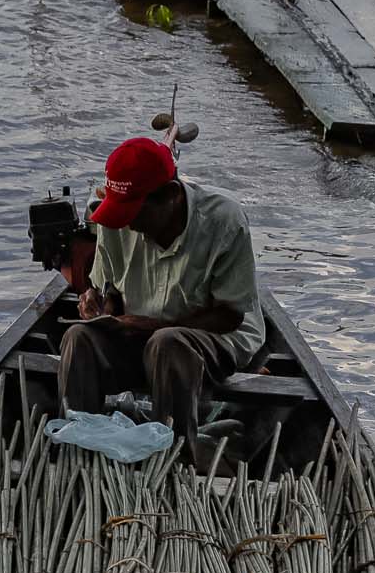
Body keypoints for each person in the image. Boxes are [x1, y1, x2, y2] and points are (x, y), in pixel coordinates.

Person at [58, 135, 264, 452]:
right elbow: (109, 289)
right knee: (78, 338)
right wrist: (98, 304)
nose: (128, 225)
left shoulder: (223, 221)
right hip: (140, 331)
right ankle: (78, 448)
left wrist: (149, 326)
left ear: (170, 196)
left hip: (215, 336)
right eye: (120, 214)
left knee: (167, 343)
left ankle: (176, 458)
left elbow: (230, 315)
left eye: (135, 214)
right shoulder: (117, 221)